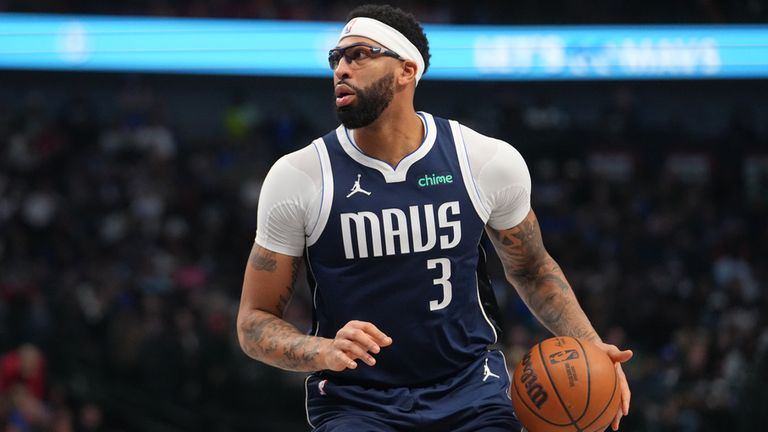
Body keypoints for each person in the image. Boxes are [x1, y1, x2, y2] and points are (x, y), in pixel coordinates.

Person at [236, 4, 632, 431]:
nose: (341, 69)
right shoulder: (299, 176)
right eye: (337, 58)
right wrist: (322, 350)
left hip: (472, 390)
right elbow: (254, 320)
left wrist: (593, 346)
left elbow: (532, 270)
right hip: (358, 403)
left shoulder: (484, 160)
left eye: (360, 54)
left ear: (407, 71)